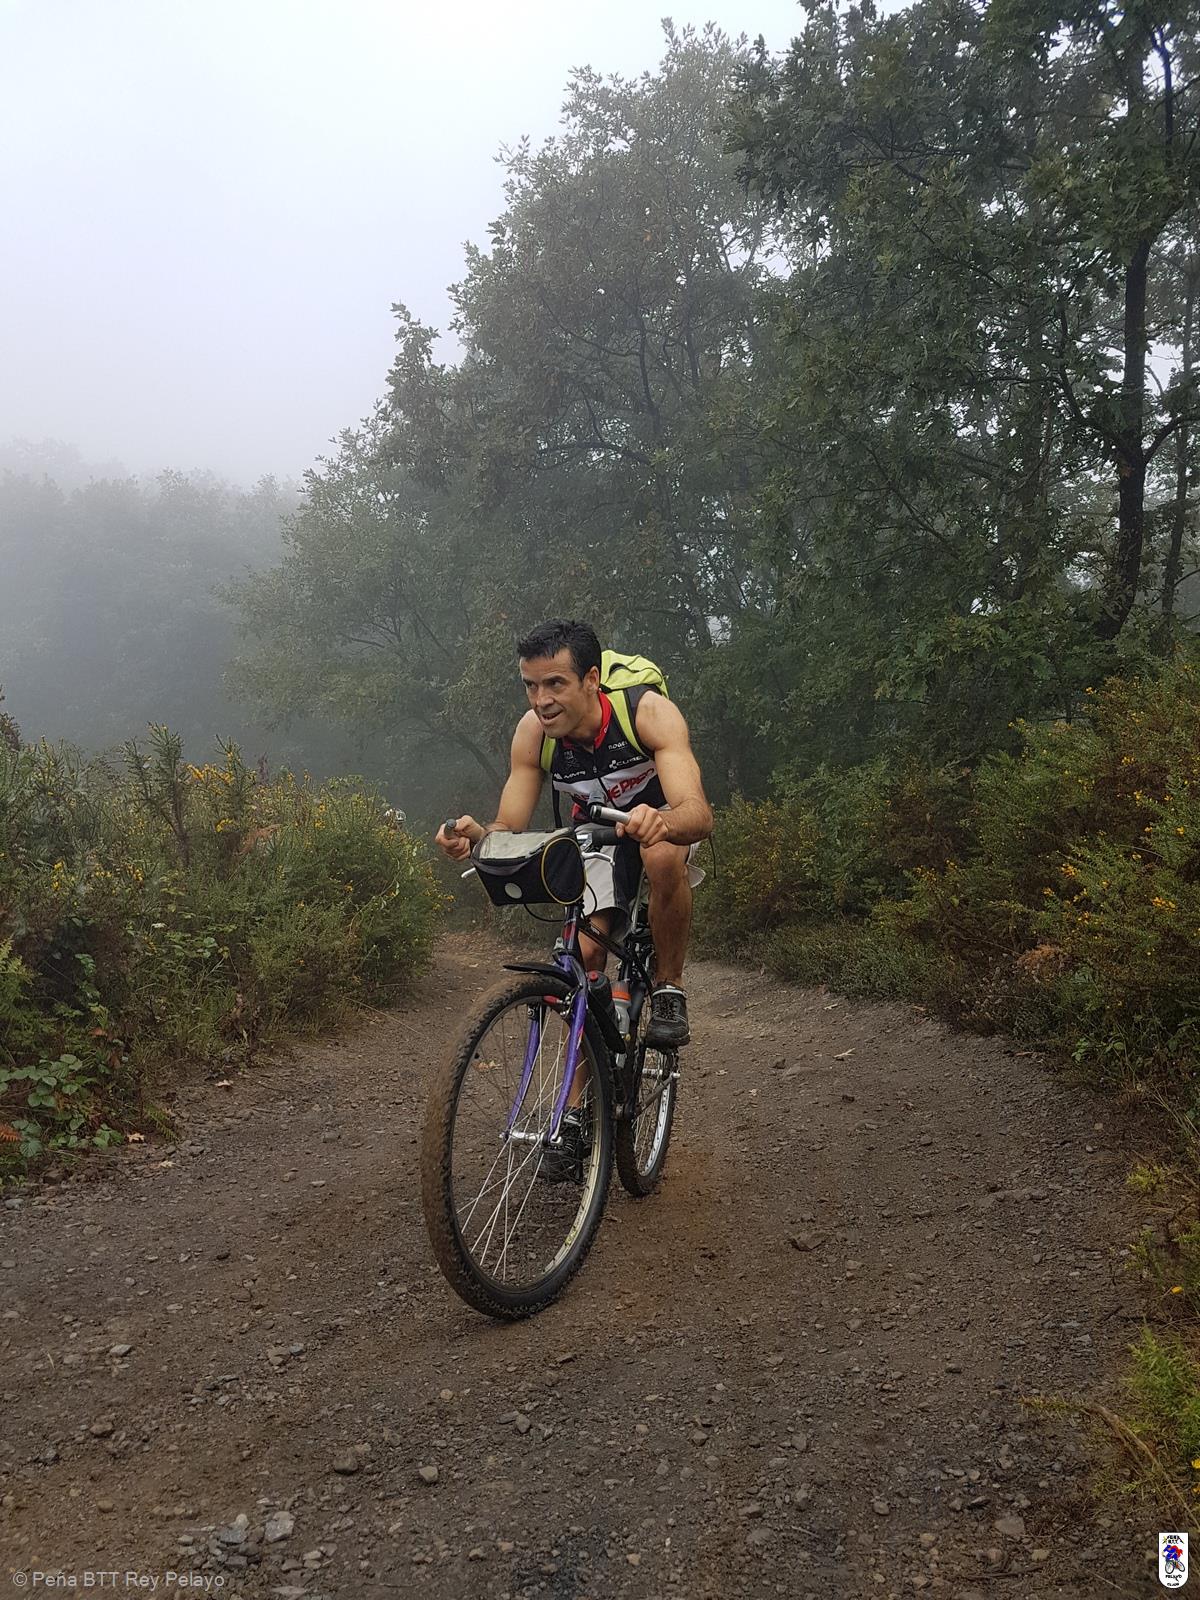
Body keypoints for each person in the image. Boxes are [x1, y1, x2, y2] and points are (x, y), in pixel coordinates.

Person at [435, 618, 713, 1050]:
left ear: (591, 680)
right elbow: (508, 825)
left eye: (555, 684)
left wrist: (662, 822)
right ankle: (587, 1084)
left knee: (659, 854)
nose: (541, 701)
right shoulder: (533, 734)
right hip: (598, 829)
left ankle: (668, 989)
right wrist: (479, 837)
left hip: (662, 815)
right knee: (583, 957)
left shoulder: (646, 713)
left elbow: (698, 814)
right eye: (530, 686)